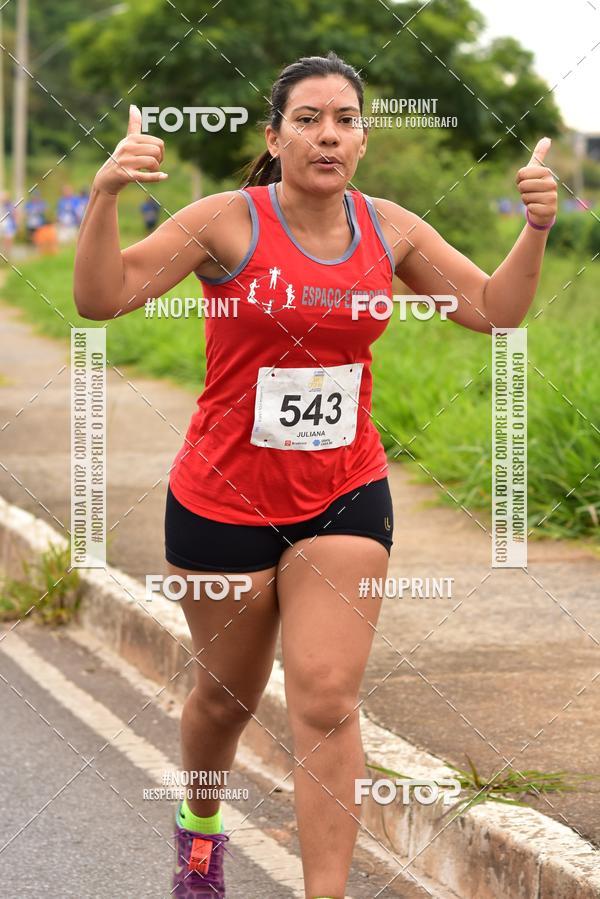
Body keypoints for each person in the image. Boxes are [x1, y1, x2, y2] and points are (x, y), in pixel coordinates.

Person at [73, 51, 557, 899]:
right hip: (223, 497)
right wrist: (107, 195)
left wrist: (536, 228)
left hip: (344, 491)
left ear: (363, 138)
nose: (327, 134)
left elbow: (493, 310)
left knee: (328, 700)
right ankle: (200, 829)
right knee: (225, 699)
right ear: (276, 135)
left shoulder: (392, 228)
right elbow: (102, 296)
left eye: (344, 119)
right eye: (308, 119)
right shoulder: (225, 221)